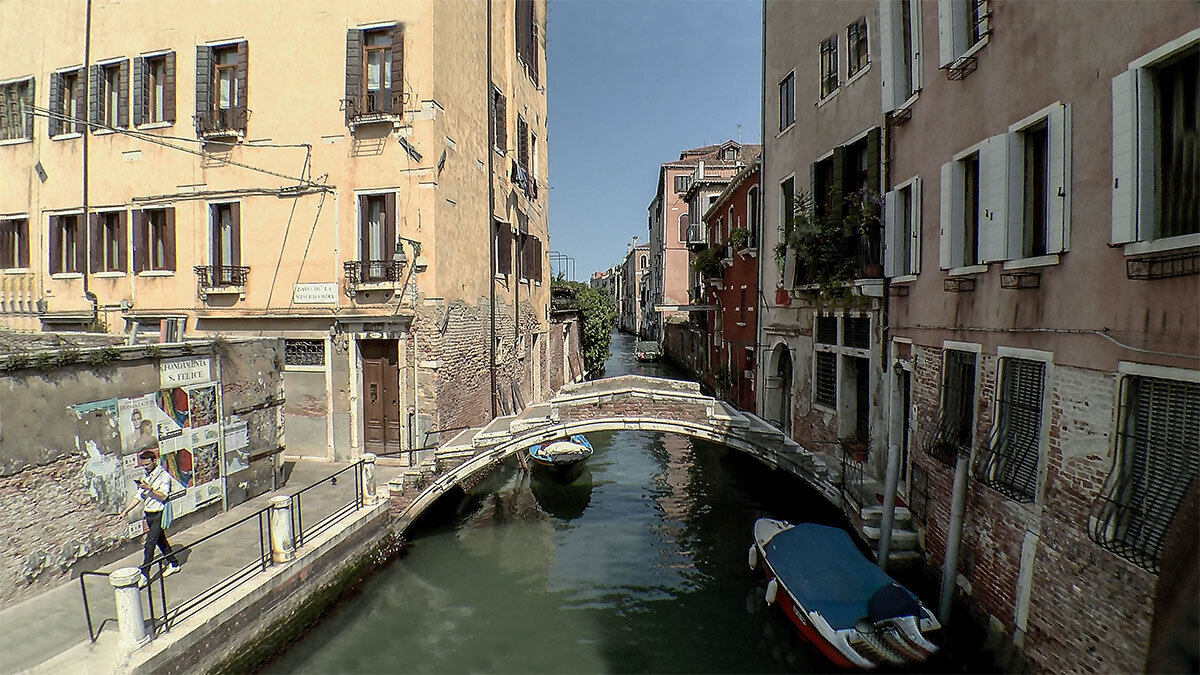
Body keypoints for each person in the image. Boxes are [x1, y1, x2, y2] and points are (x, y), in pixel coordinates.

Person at [120, 450, 182, 586]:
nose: (145, 467)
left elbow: (163, 496)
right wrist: (126, 511)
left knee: (149, 544)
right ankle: (174, 563)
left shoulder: (163, 476)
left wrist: (150, 489)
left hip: (159, 513)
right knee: (160, 541)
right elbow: (138, 496)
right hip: (149, 514)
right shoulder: (146, 476)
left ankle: (144, 573)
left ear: (155, 461)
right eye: (143, 465)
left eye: (147, 464)